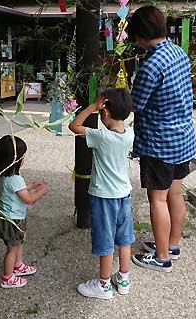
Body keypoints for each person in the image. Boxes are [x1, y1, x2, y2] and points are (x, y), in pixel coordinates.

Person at [127, 5, 196, 272]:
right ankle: (172, 244)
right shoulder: (178, 52)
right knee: (175, 193)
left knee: (157, 199)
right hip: (183, 139)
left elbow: (136, 104)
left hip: (159, 143)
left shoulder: (150, 64)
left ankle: (162, 256)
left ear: (142, 35)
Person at [69, 89, 135, 300]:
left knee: (105, 241)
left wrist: (92, 107)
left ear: (104, 112)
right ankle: (123, 280)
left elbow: (74, 126)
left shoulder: (101, 137)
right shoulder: (130, 134)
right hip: (124, 194)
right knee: (124, 240)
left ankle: (104, 284)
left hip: (103, 197)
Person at [0, 135, 49, 288]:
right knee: (12, 248)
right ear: (15, 160)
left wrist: (31, 185)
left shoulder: (5, 175)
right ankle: (8, 277)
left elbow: (16, 191)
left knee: (18, 242)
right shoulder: (15, 179)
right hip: (13, 220)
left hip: (5, 217)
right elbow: (28, 200)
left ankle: (18, 265)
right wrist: (42, 191)